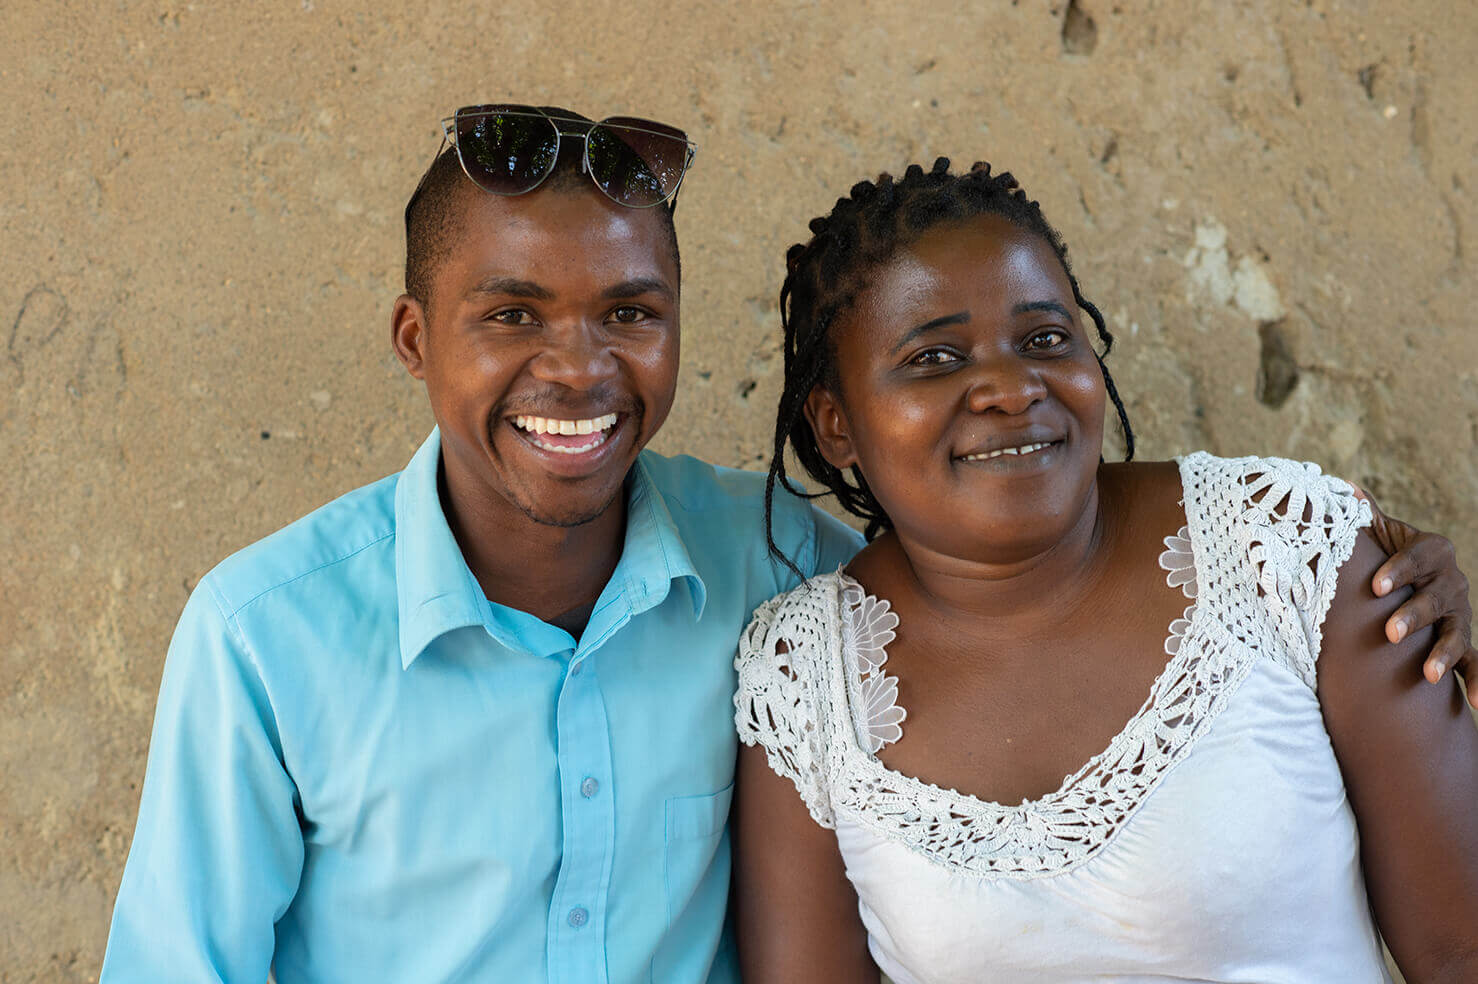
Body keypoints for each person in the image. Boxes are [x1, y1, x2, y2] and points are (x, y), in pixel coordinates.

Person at [99, 106, 1469, 983]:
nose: (577, 371)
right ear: (417, 341)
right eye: (511, 315)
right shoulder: (265, 637)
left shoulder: (772, 575)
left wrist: (1386, 580)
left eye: (629, 313)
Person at [732, 157, 1478, 983]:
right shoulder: (806, 681)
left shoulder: (1286, 550)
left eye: (1045, 339)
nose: (1012, 389)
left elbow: (1460, 950)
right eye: (935, 359)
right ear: (835, 425)